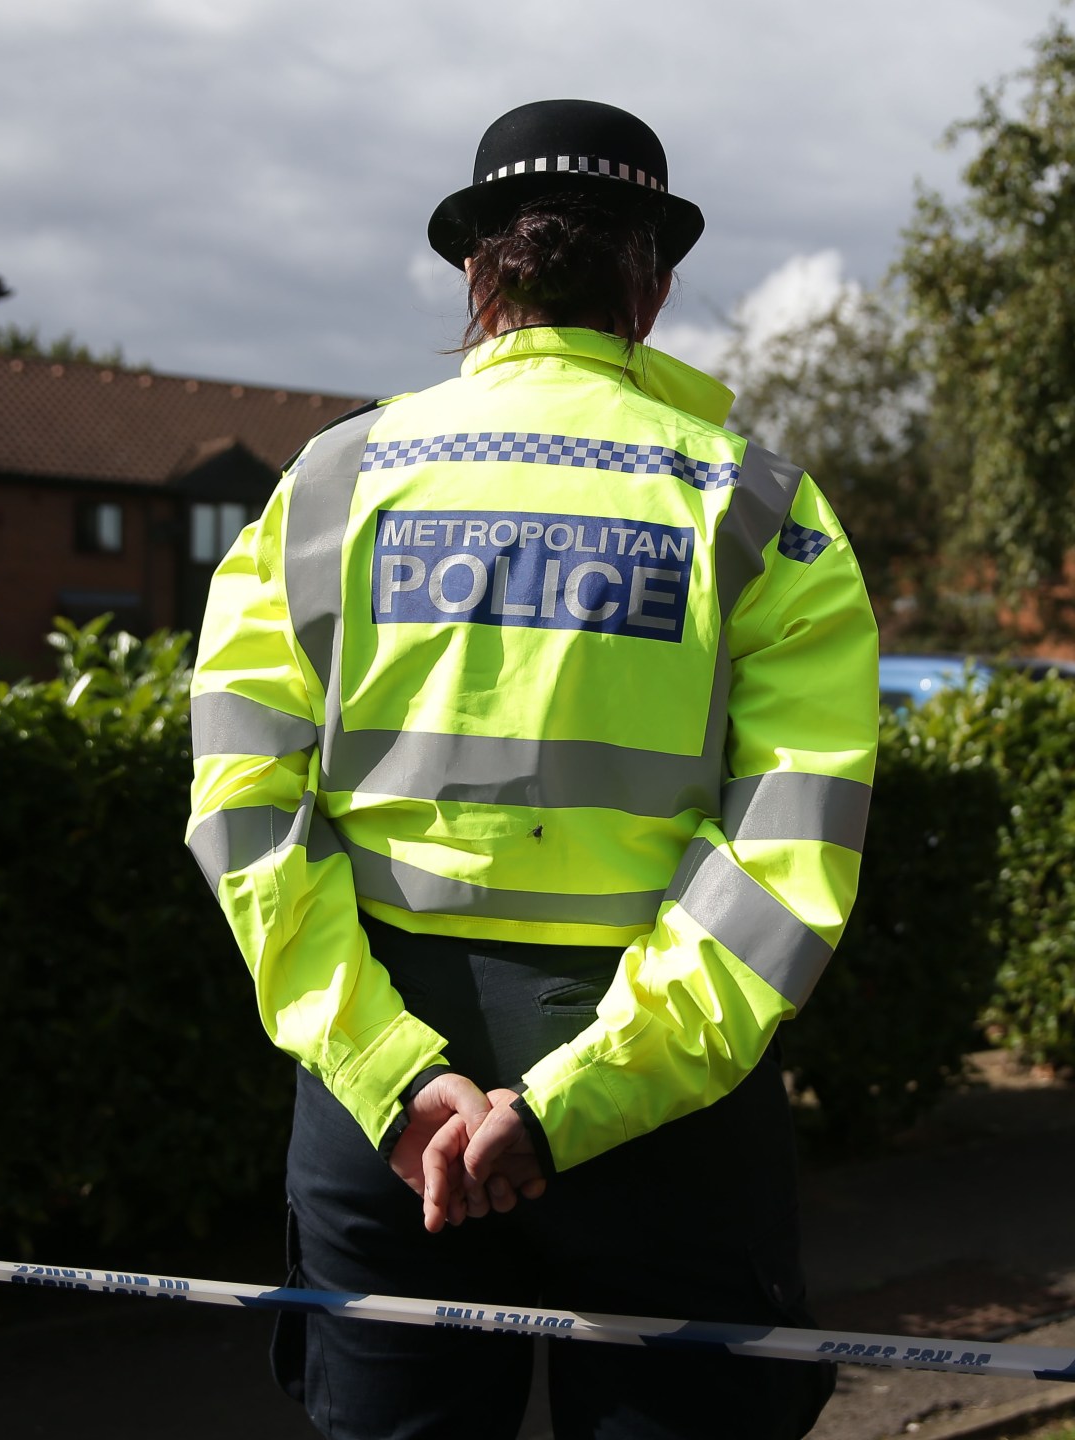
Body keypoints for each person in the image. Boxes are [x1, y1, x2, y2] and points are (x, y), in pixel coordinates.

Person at [185, 97, 878, 1440]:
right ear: (653, 283)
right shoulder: (758, 508)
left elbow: (246, 822)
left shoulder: (327, 487)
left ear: (475, 273)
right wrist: (573, 1108)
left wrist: (389, 1076)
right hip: (667, 1113)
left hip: (384, 1102)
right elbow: (788, 867)